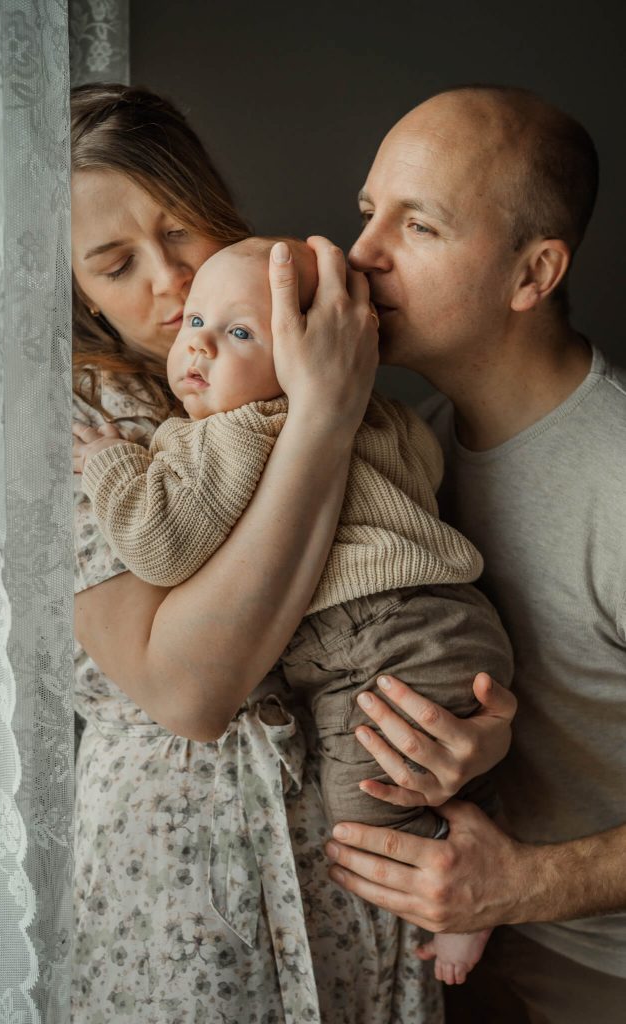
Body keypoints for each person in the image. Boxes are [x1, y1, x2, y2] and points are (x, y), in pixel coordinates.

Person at [69, 83, 444, 1023]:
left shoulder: (274, 344)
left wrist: (457, 736)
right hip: (189, 880)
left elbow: (399, 569)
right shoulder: (76, 426)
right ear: (74, 289)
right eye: (116, 265)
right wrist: (322, 411)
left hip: (349, 842)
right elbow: (191, 694)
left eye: (182, 231)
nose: (166, 282)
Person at [74, 234, 514, 986]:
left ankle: (467, 903)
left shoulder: (238, 430)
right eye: (195, 327)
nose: (197, 342)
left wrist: (113, 463)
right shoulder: (382, 413)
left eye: (238, 332)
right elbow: (423, 471)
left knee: (366, 807)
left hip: (376, 639)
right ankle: (471, 826)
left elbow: (164, 544)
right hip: (449, 620)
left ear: (303, 353)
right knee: (412, 764)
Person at [323, 85, 626, 1023]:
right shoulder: (409, 450)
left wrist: (520, 886)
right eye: (370, 213)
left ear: (531, 275)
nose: (360, 256)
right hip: (447, 958)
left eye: (419, 226)